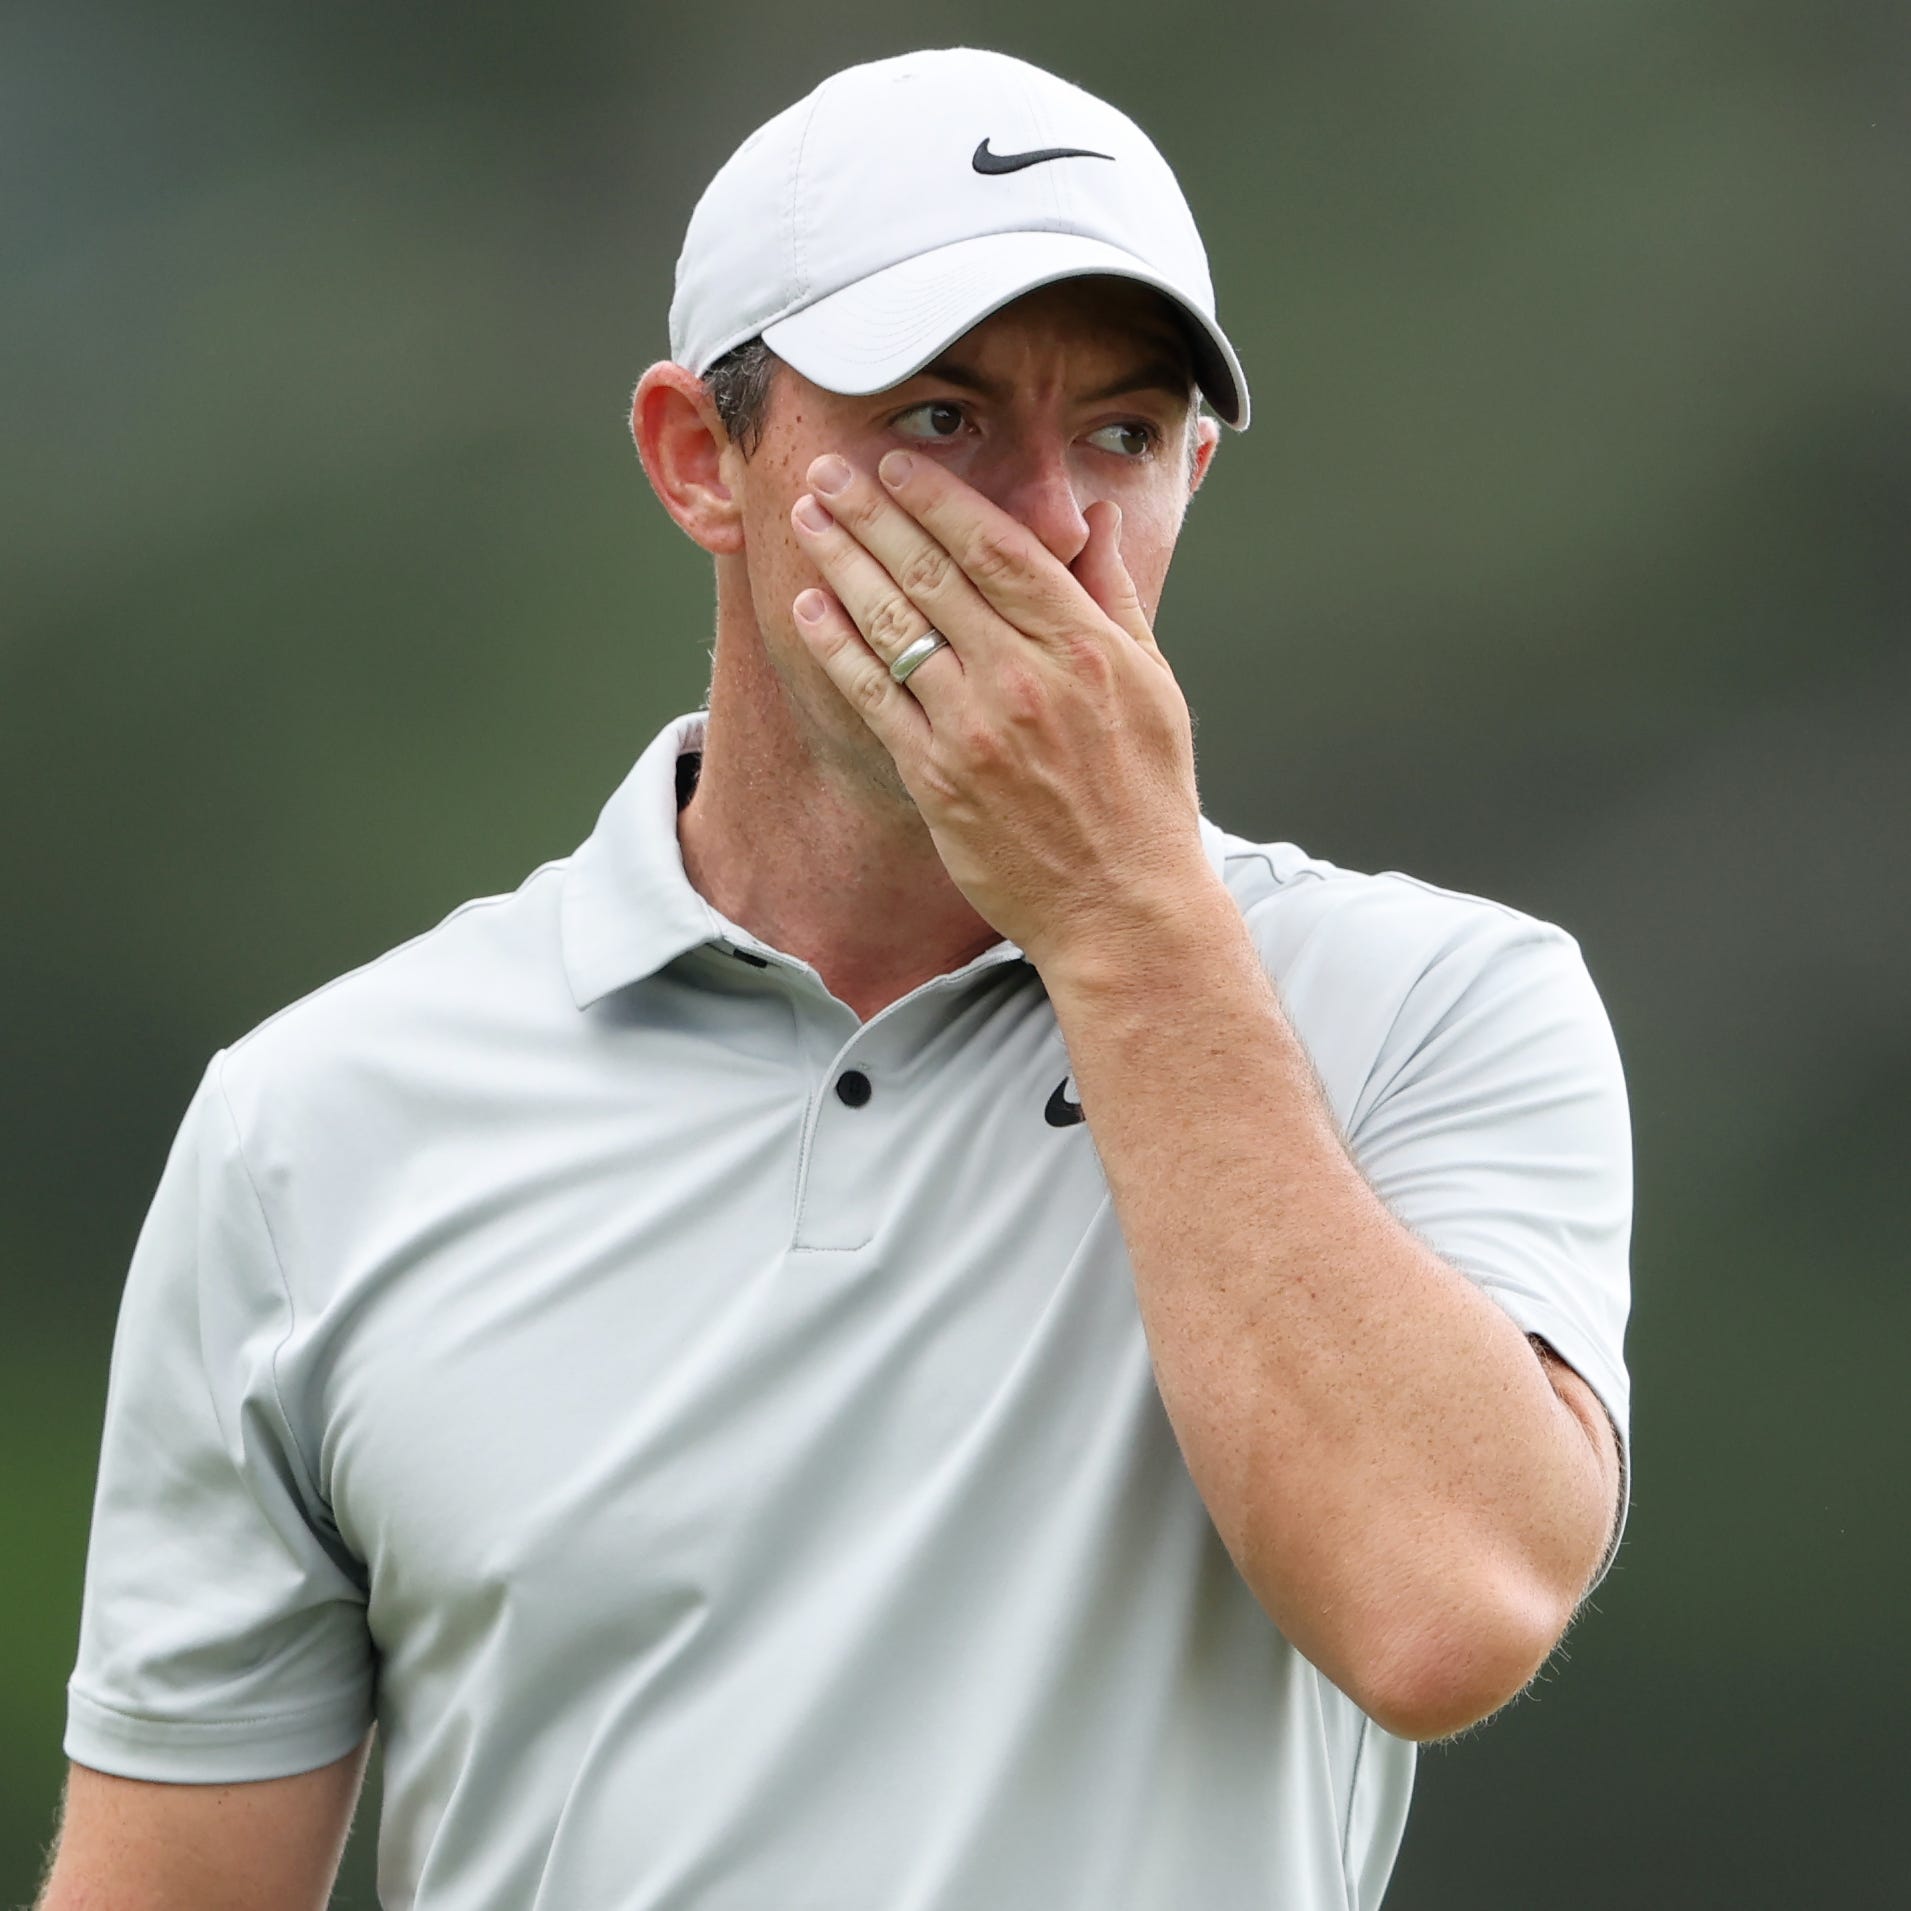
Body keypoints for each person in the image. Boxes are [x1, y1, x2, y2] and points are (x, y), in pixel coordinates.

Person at [40, 47, 1632, 1911]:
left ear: (1196, 469)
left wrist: (1119, 918)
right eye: (944, 420)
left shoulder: (1438, 1007)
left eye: (1122, 436)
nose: (1050, 527)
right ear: (699, 459)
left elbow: (1441, 1614)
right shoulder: (316, 1119)